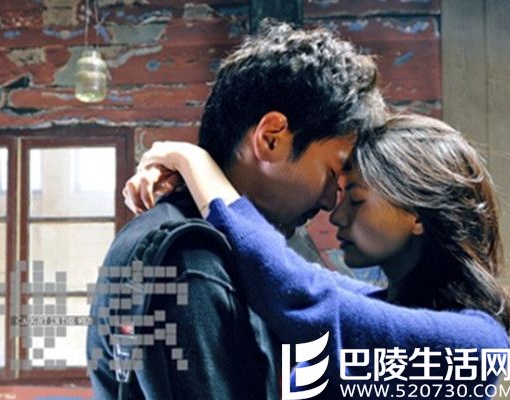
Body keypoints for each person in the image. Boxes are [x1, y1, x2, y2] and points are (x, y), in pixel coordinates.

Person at [88, 20, 386, 399]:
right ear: (271, 139)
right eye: (332, 173)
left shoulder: (242, 249)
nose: (330, 202)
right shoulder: (190, 258)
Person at [126, 114, 510, 399]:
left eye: (356, 200)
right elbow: (293, 276)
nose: (336, 215)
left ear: (417, 214)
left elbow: (299, 292)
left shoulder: (478, 344)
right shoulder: (379, 305)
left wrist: (193, 161)